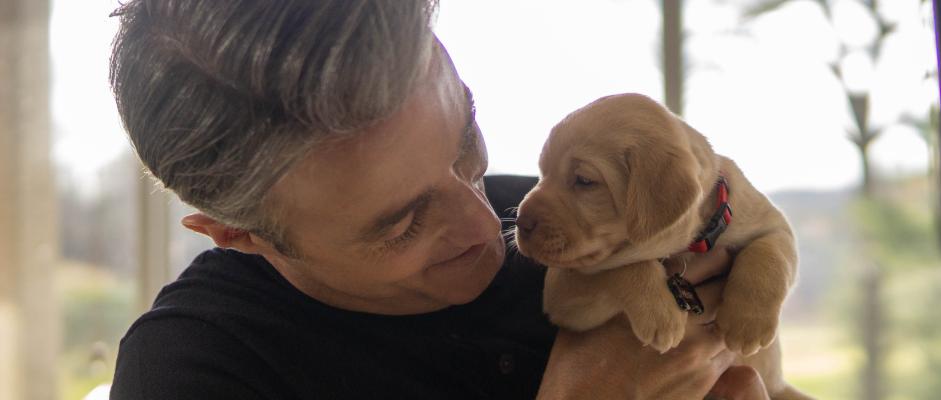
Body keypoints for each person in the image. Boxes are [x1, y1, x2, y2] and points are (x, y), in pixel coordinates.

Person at [107, 1, 770, 398]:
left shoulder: (575, 222)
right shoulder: (195, 372)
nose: (488, 226)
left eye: (466, 145)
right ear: (236, 234)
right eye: (403, 223)